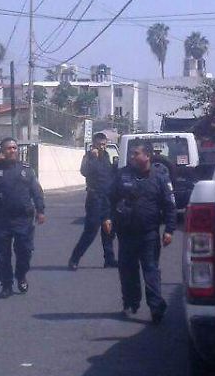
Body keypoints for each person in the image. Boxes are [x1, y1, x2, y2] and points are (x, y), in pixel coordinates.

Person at [104, 140, 177, 324]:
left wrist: (169, 230)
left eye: (136, 153)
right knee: (127, 271)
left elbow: (170, 206)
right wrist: (107, 217)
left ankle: (156, 307)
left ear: (147, 155)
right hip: (126, 233)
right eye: (131, 154)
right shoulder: (123, 175)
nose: (132, 157)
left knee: (151, 271)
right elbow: (109, 198)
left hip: (149, 234)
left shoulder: (160, 177)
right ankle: (130, 302)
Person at [0, 138, 46, 298]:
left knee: (25, 252)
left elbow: (36, 191)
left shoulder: (26, 170)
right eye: (8, 148)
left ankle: (21, 275)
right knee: (1, 255)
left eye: (14, 148)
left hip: (23, 219)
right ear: (2, 151)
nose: (12, 150)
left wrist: (40, 210)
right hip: (1, 220)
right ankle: (6, 285)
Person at [68, 132, 118, 270]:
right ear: (94, 144)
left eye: (104, 144)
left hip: (107, 198)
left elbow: (109, 175)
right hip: (95, 198)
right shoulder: (88, 157)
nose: (101, 147)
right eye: (99, 144)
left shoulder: (107, 156)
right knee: (91, 231)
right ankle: (74, 259)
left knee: (108, 230)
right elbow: (84, 171)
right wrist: (93, 158)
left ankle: (109, 259)